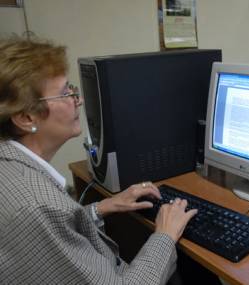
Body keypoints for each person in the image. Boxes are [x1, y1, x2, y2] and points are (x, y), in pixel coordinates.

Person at [0, 36, 198, 284]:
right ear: (26, 117)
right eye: (65, 94)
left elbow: (52, 233)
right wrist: (165, 234)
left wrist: (100, 208)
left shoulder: (9, 166)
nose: (79, 100)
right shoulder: (36, 206)